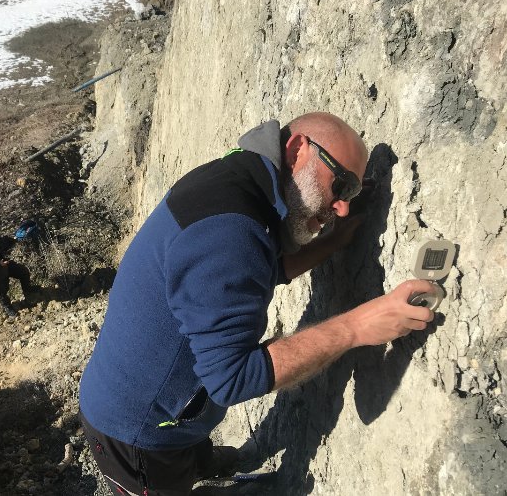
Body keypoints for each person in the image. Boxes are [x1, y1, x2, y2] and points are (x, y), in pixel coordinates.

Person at [78, 112, 435, 495]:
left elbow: (257, 265)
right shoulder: (228, 230)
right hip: (133, 434)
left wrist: (332, 241)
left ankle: (198, 460)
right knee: (166, 468)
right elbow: (231, 378)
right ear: (298, 150)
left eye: (354, 193)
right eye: (342, 185)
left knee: (187, 442)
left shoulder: (242, 181)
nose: (344, 207)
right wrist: (355, 328)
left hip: (156, 395)